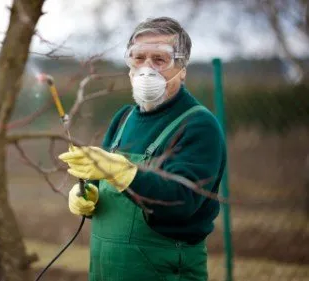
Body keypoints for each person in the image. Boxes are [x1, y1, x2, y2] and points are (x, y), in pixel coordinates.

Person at [59, 17, 227, 281]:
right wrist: (88, 193)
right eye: (138, 58)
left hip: (162, 271)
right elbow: (104, 183)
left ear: (182, 68)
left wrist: (123, 172)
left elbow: (181, 201)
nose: (146, 69)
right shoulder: (124, 118)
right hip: (107, 271)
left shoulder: (198, 125)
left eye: (160, 60)